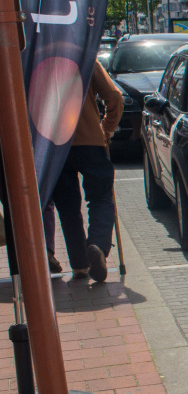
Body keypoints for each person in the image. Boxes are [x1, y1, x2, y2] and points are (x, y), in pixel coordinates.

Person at [46, 60, 123, 282]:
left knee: (68, 207)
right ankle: (98, 244)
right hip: (91, 141)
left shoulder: (39, 54)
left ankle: (80, 265)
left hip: (55, 144)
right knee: (101, 198)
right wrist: (107, 129)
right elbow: (114, 96)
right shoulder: (85, 53)